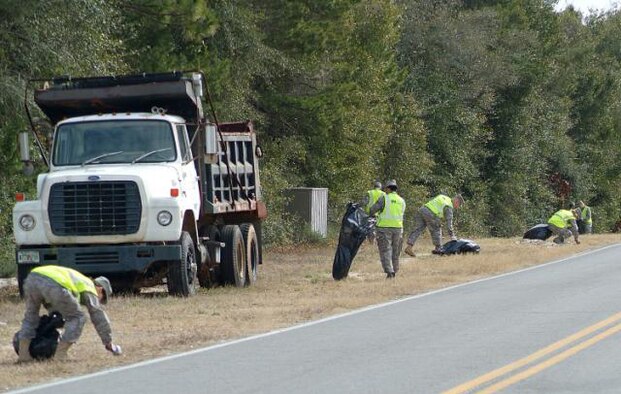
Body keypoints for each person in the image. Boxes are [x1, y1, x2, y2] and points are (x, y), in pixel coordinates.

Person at [16, 265, 122, 362]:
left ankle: (24, 356)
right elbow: (98, 316)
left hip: (32, 278)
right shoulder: (89, 285)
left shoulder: (76, 279)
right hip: (53, 283)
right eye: (102, 298)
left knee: (31, 317)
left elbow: (55, 311)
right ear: (100, 289)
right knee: (78, 318)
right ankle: (60, 355)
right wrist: (108, 342)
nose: (99, 300)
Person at [368, 179, 406, 278]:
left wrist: (373, 215)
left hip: (384, 228)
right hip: (398, 228)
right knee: (396, 251)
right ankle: (395, 269)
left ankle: (390, 272)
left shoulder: (384, 198)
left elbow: (372, 210)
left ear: (388, 188)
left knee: (385, 250)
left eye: (386, 188)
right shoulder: (402, 200)